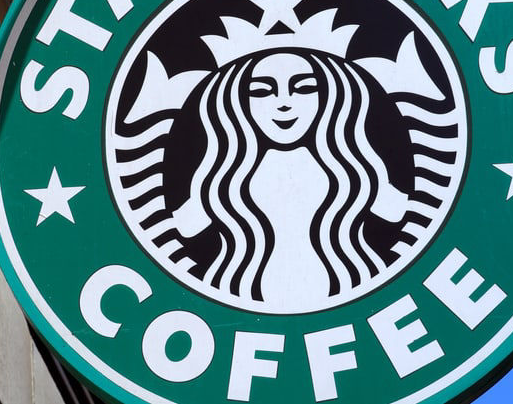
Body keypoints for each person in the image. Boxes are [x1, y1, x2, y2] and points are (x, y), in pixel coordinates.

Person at [169, 48, 409, 310]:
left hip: (351, 287)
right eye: (262, 91)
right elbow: (185, 229)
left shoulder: (353, 167)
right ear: (239, 103)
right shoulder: (223, 175)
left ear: (328, 97)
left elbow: (397, 212)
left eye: (304, 88)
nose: (284, 102)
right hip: (237, 293)